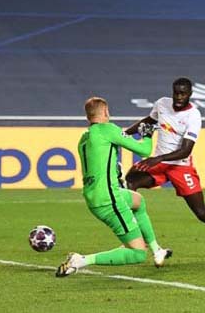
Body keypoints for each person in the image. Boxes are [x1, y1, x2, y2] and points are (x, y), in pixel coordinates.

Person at [124, 77, 205, 259]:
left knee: (201, 213)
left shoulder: (193, 115)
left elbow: (185, 150)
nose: (179, 97)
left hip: (180, 167)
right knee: (129, 183)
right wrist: (123, 134)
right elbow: (148, 121)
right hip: (159, 165)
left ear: (190, 94)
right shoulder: (162, 104)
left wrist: (158, 158)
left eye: (183, 94)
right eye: (176, 93)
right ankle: (143, 241)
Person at [56, 97, 171, 277]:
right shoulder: (108, 130)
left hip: (97, 195)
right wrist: (148, 134)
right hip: (108, 200)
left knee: (138, 201)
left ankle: (157, 250)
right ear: (105, 111)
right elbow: (144, 151)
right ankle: (81, 260)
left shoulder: (85, 137)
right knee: (138, 253)